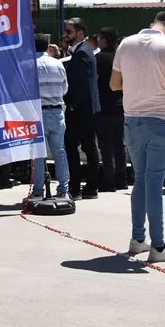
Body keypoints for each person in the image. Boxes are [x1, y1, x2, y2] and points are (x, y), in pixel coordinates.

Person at [111, 10, 165, 263]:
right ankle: (158, 246)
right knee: (155, 184)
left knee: (141, 181)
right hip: (162, 120)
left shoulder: (126, 43)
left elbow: (114, 84)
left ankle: (138, 239)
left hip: (132, 120)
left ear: (152, 24)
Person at [62, 18, 100, 200]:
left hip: (81, 110)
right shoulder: (83, 51)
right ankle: (91, 187)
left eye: (69, 31)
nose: (65, 35)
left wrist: (72, 104)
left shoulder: (82, 53)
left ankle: (76, 188)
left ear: (80, 33)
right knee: (89, 148)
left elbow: (82, 84)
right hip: (87, 108)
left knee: (73, 147)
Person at [30, 32, 70, 199]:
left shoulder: (29, 65)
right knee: (60, 152)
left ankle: (38, 192)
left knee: (39, 155)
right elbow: (64, 89)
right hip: (57, 111)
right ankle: (63, 191)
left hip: (38, 113)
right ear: (47, 46)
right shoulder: (58, 64)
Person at [95, 27, 126, 192]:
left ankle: (109, 180)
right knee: (119, 144)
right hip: (121, 106)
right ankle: (122, 178)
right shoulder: (122, 58)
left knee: (106, 147)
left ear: (104, 40)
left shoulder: (99, 58)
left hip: (104, 108)